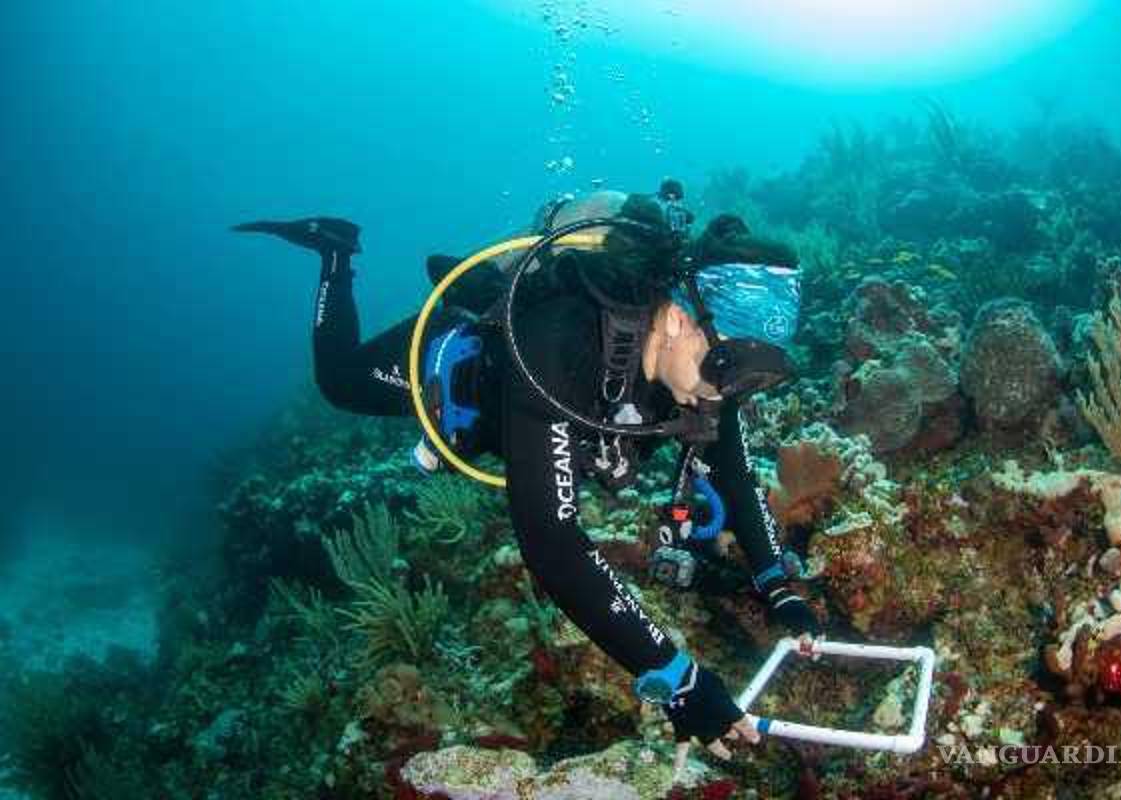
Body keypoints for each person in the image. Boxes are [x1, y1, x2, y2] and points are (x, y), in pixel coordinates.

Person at [232, 183, 818, 763]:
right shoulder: (561, 338)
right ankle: (335, 252)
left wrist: (777, 584)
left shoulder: (706, 379)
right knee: (339, 382)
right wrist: (678, 680)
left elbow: (733, 472)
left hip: (554, 407)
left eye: (745, 382)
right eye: (724, 371)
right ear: (677, 321)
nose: (724, 397)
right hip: (463, 372)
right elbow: (553, 543)